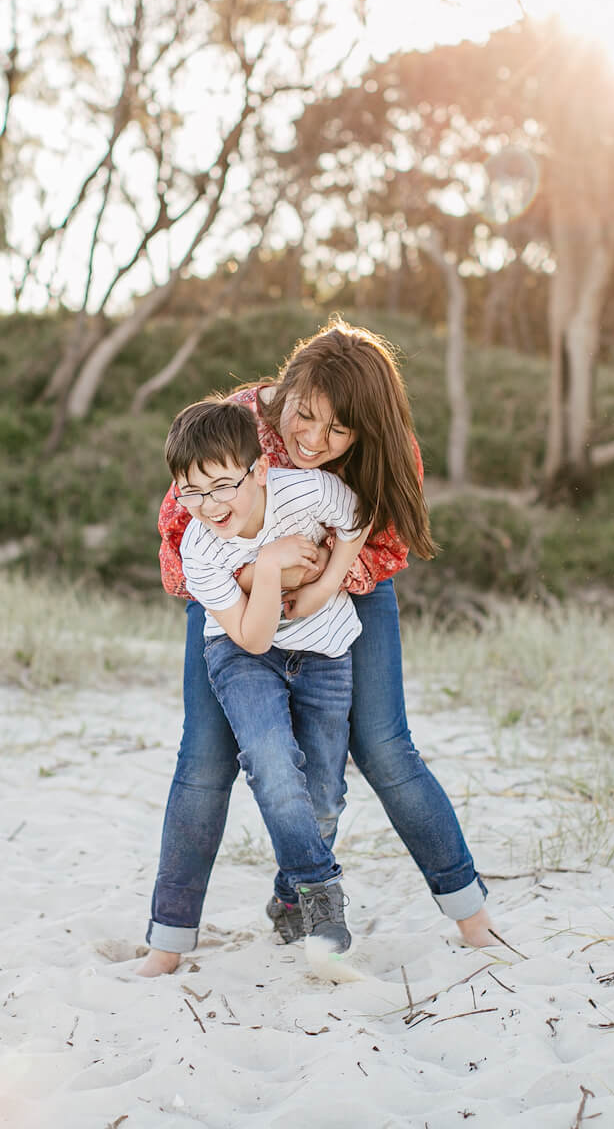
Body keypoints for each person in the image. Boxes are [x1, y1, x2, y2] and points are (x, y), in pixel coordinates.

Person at [137, 317, 497, 979]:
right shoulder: (235, 425)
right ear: (289, 385)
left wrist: (327, 580)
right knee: (207, 756)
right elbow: (176, 542)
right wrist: (262, 577)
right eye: (305, 416)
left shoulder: (389, 446)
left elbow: (386, 542)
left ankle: (470, 916)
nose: (314, 440)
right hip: (234, 596)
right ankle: (168, 940)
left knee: (383, 748)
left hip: (349, 590)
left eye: (338, 430)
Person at [161, 397, 373, 966]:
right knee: (272, 763)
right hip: (242, 655)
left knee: (324, 796)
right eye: (191, 492)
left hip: (325, 648)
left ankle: (287, 901)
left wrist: (326, 584)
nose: (209, 505)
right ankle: (319, 891)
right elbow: (251, 639)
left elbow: (356, 519)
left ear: (258, 470)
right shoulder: (200, 547)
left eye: (223, 485)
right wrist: (273, 565)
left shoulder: (305, 491)